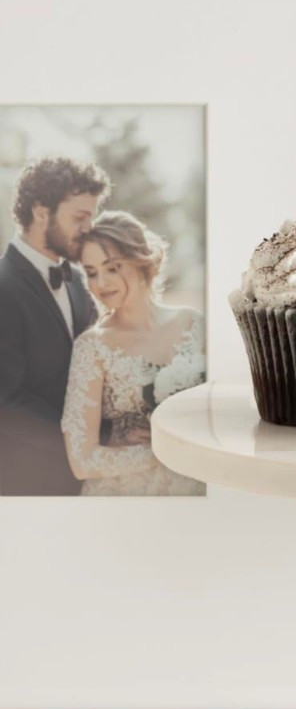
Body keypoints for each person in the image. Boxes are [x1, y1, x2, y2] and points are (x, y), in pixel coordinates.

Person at [61, 211, 205, 498]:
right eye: (91, 272)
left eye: (112, 268)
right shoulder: (92, 346)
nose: (101, 282)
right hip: (126, 493)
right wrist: (161, 452)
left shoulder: (193, 323)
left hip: (198, 485)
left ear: (140, 261)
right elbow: (82, 461)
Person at [0, 156, 107, 494]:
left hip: (82, 477)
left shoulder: (78, 279)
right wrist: (87, 439)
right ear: (41, 211)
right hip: (24, 482)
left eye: (92, 217)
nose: (88, 228)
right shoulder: (3, 286)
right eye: (79, 217)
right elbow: (6, 402)